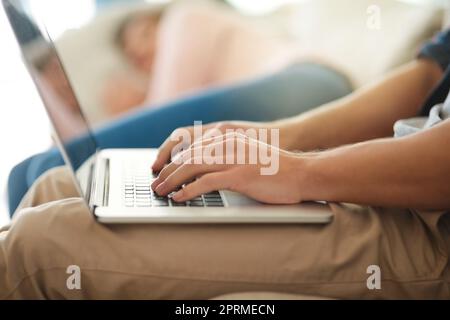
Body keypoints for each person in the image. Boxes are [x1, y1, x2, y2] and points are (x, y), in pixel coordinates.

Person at [1, 27, 450, 299]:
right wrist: (266, 142)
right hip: (397, 167)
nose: (136, 52)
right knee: (53, 186)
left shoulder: (187, 19)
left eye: (137, 38)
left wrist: (299, 171)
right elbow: (431, 74)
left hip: (430, 226)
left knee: (37, 248)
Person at [101, 2, 306, 116]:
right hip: (288, 94)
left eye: (145, 34)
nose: (141, 49)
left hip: (295, 82)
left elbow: (164, 113)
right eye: (133, 56)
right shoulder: (203, 84)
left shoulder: (182, 17)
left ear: (158, 20)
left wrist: (131, 110)